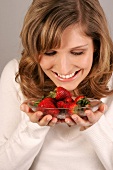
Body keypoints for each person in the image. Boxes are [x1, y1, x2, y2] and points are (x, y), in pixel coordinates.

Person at [0, 0, 113, 169]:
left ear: (96, 45)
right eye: (49, 52)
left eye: (77, 52)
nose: (64, 68)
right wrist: (33, 128)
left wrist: (96, 127)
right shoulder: (16, 75)